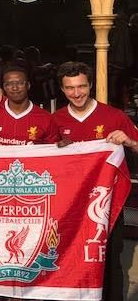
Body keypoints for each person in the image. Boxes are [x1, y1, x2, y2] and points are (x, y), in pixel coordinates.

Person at [53, 61, 138, 301]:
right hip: (70, 206)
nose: (77, 93)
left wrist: (130, 142)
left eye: (81, 86)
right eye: (70, 88)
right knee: (70, 260)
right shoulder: (56, 120)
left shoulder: (114, 116)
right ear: (62, 89)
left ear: (90, 85)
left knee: (111, 261)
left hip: (108, 204)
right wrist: (55, 148)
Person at [0, 66, 59, 146]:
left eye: (20, 83)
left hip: (32, 165)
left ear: (28, 85)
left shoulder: (45, 118)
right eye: (9, 84)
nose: (15, 88)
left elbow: (53, 152)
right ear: (4, 87)